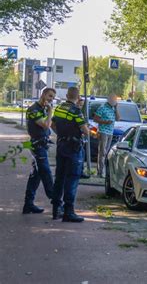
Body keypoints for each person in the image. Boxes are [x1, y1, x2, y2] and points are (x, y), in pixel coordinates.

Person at [51, 87, 89, 222]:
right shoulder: (76, 111)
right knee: (72, 179)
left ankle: (56, 210)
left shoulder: (59, 108)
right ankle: (69, 212)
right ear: (78, 97)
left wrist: (61, 134)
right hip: (74, 148)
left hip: (61, 146)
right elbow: (85, 131)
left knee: (60, 177)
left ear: (67, 95)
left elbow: (52, 124)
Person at [22, 88, 56, 214]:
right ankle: (57, 202)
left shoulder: (42, 109)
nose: (50, 99)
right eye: (49, 96)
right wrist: (50, 112)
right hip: (37, 146)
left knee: (36, 176)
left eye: (52, 97)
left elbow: (51, 125)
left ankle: (28, 204)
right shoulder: (34, 109)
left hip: (42, 145)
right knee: (46, 173)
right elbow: (46, 125)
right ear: (43, 95)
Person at [94, 94, 120, 178]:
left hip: (110, 132)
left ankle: (103, 170)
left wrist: (116, 108)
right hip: (103, 131)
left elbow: (118, 118)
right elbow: (95, 119)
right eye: (114, 101)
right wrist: (105, 122)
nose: (115, 102)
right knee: (102, 152)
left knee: (106, 152)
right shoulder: (102, 107)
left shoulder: (113, 108)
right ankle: (100, 172)